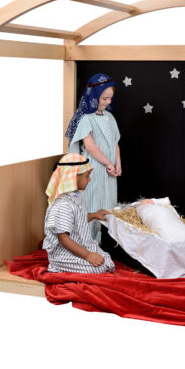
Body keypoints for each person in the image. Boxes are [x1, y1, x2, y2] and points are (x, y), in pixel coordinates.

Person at [65, 73, 121, 243]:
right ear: (94, 96)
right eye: (104, 98)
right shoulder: (86, 118)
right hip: (93, 170)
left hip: (108, 171)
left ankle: (102, 245)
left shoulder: (110, 118)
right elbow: (90, 146)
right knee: (91, 204)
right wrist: (108, 162)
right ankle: (86, 244)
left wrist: (118, 164)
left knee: (107, 206)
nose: (108, 102)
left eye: (110, 98)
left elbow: (115, 143)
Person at [42, 153, 115, 274]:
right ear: (74, 177)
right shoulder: (63, 204)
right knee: (99, 267)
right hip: (64, 253)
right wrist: (87, 255)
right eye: (87, 176)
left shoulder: (75, 196)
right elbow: (63, 239)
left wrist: (94, 215)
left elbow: (77, 220)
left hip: (79, 246)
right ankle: (57, 266)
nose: (89, 180)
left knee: (106, 259)